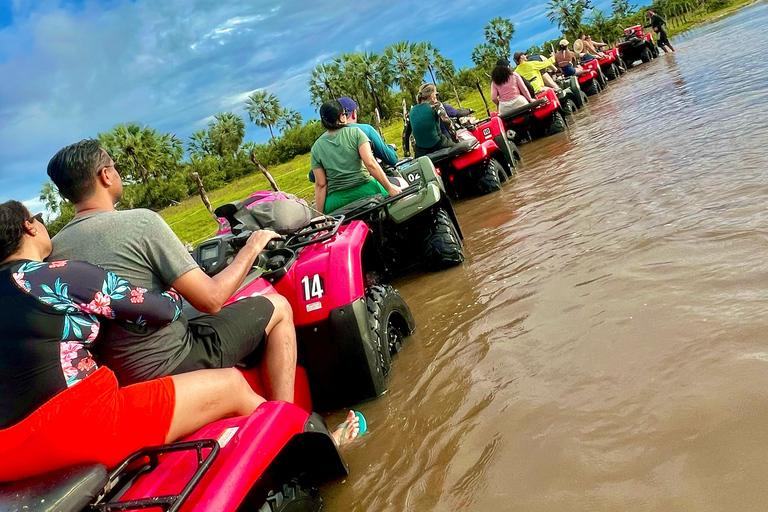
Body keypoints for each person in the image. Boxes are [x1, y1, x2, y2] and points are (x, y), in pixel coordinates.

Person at [0, 200, 272, 481]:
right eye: (39, 217)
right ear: (29, 226)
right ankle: (293, 450)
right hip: (79, 428)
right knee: (232, 385)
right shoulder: (56, 274)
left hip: (6, 456)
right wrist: (173, 291)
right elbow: (158, 310)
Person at [46, 140, 297, 404]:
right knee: (279, 307)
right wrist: (252, 247)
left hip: (119, 382)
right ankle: (290, 418)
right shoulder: (141, 223)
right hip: (173, 362)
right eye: (114, 167)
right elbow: (211, 299)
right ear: (105, 176)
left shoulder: (53, 250)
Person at [311, 99, 403, 214]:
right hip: (365, 189)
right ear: (341, 117)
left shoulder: (316, 147)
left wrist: (319, 215)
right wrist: (390, 188)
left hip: (336, 201)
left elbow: (321, 184)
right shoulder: (356, 133)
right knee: (402, 184)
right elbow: (370, 163)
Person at [337, 97, 398, 166]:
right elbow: (391, 159)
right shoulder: (366, 129)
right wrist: (391, 148)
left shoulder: (324, 139)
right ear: (354, 113)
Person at [406, 83, 459, 157]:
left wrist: (407, 153)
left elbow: (405, 134)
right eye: (436, 94)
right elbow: (447, 122)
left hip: (421, 151)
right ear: (432, 95)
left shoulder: (411, 112)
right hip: (439, 144)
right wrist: (456, 140)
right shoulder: (435, 105)